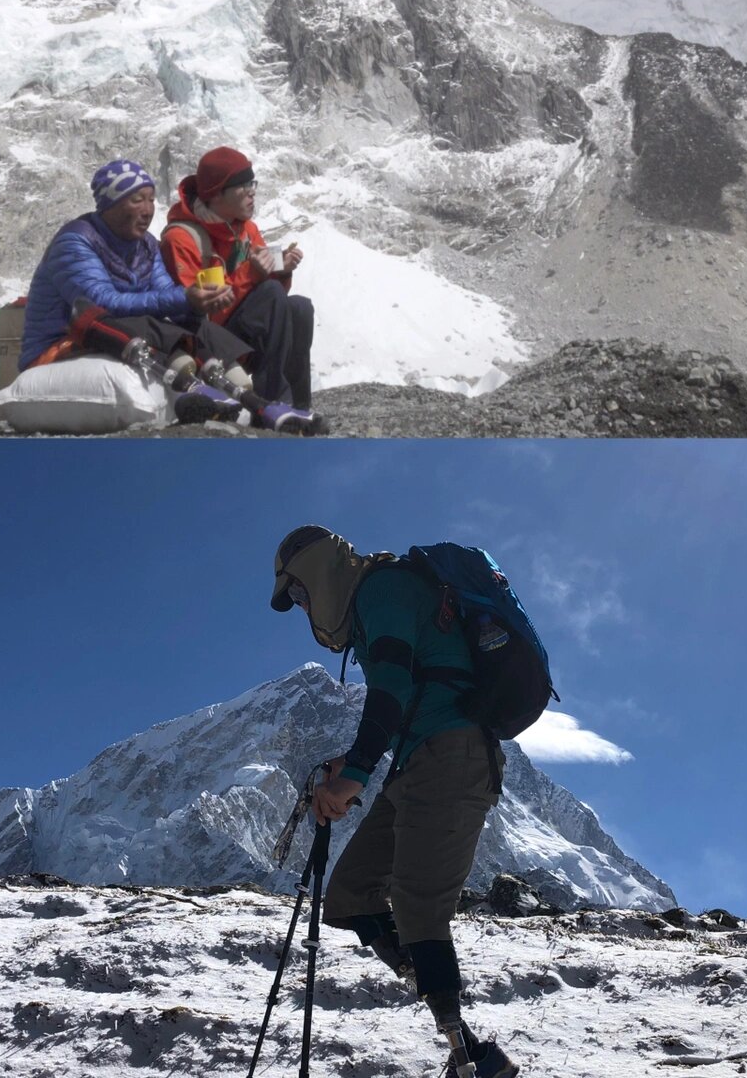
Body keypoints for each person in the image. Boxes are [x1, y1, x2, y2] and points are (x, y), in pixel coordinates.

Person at [270, 525, 518, 1078]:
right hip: (418, 763)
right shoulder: (374, 604)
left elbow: (391, 690)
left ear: (318, 573)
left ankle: (470, 1062)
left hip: (452, 759)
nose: (306, 608)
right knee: (352, 893)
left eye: (302, 593)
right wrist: (350, 761)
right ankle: (467, 1042)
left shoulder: (382, 590)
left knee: (418, 908)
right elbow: (405, 697)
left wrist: (353, 775)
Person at [160, 147, 315, 412]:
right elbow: (197, 314)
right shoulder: (182, 238)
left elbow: (270, 299)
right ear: (217, 194)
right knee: (269, 293)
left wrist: (281, 271)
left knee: (299, 308)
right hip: (206, 344)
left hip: (240, 335)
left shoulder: (246, 229)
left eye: (251, 183)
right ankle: (272, 404)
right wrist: (253, 274)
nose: (252, 191)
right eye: (243, 186)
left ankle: (301, 407)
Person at [20, 159, 212, 370]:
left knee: (200, 329)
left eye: (151, 200)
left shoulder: (146, 244)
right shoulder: (75, 242)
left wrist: (196, 304)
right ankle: (186, 371)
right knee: (144, 325)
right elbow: (102, 305)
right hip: (60, 346)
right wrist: (183, 297)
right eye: (137, 200)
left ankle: (234, 376)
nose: (147, 210)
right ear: (109, 206)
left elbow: (166, 293)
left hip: (120, 334)